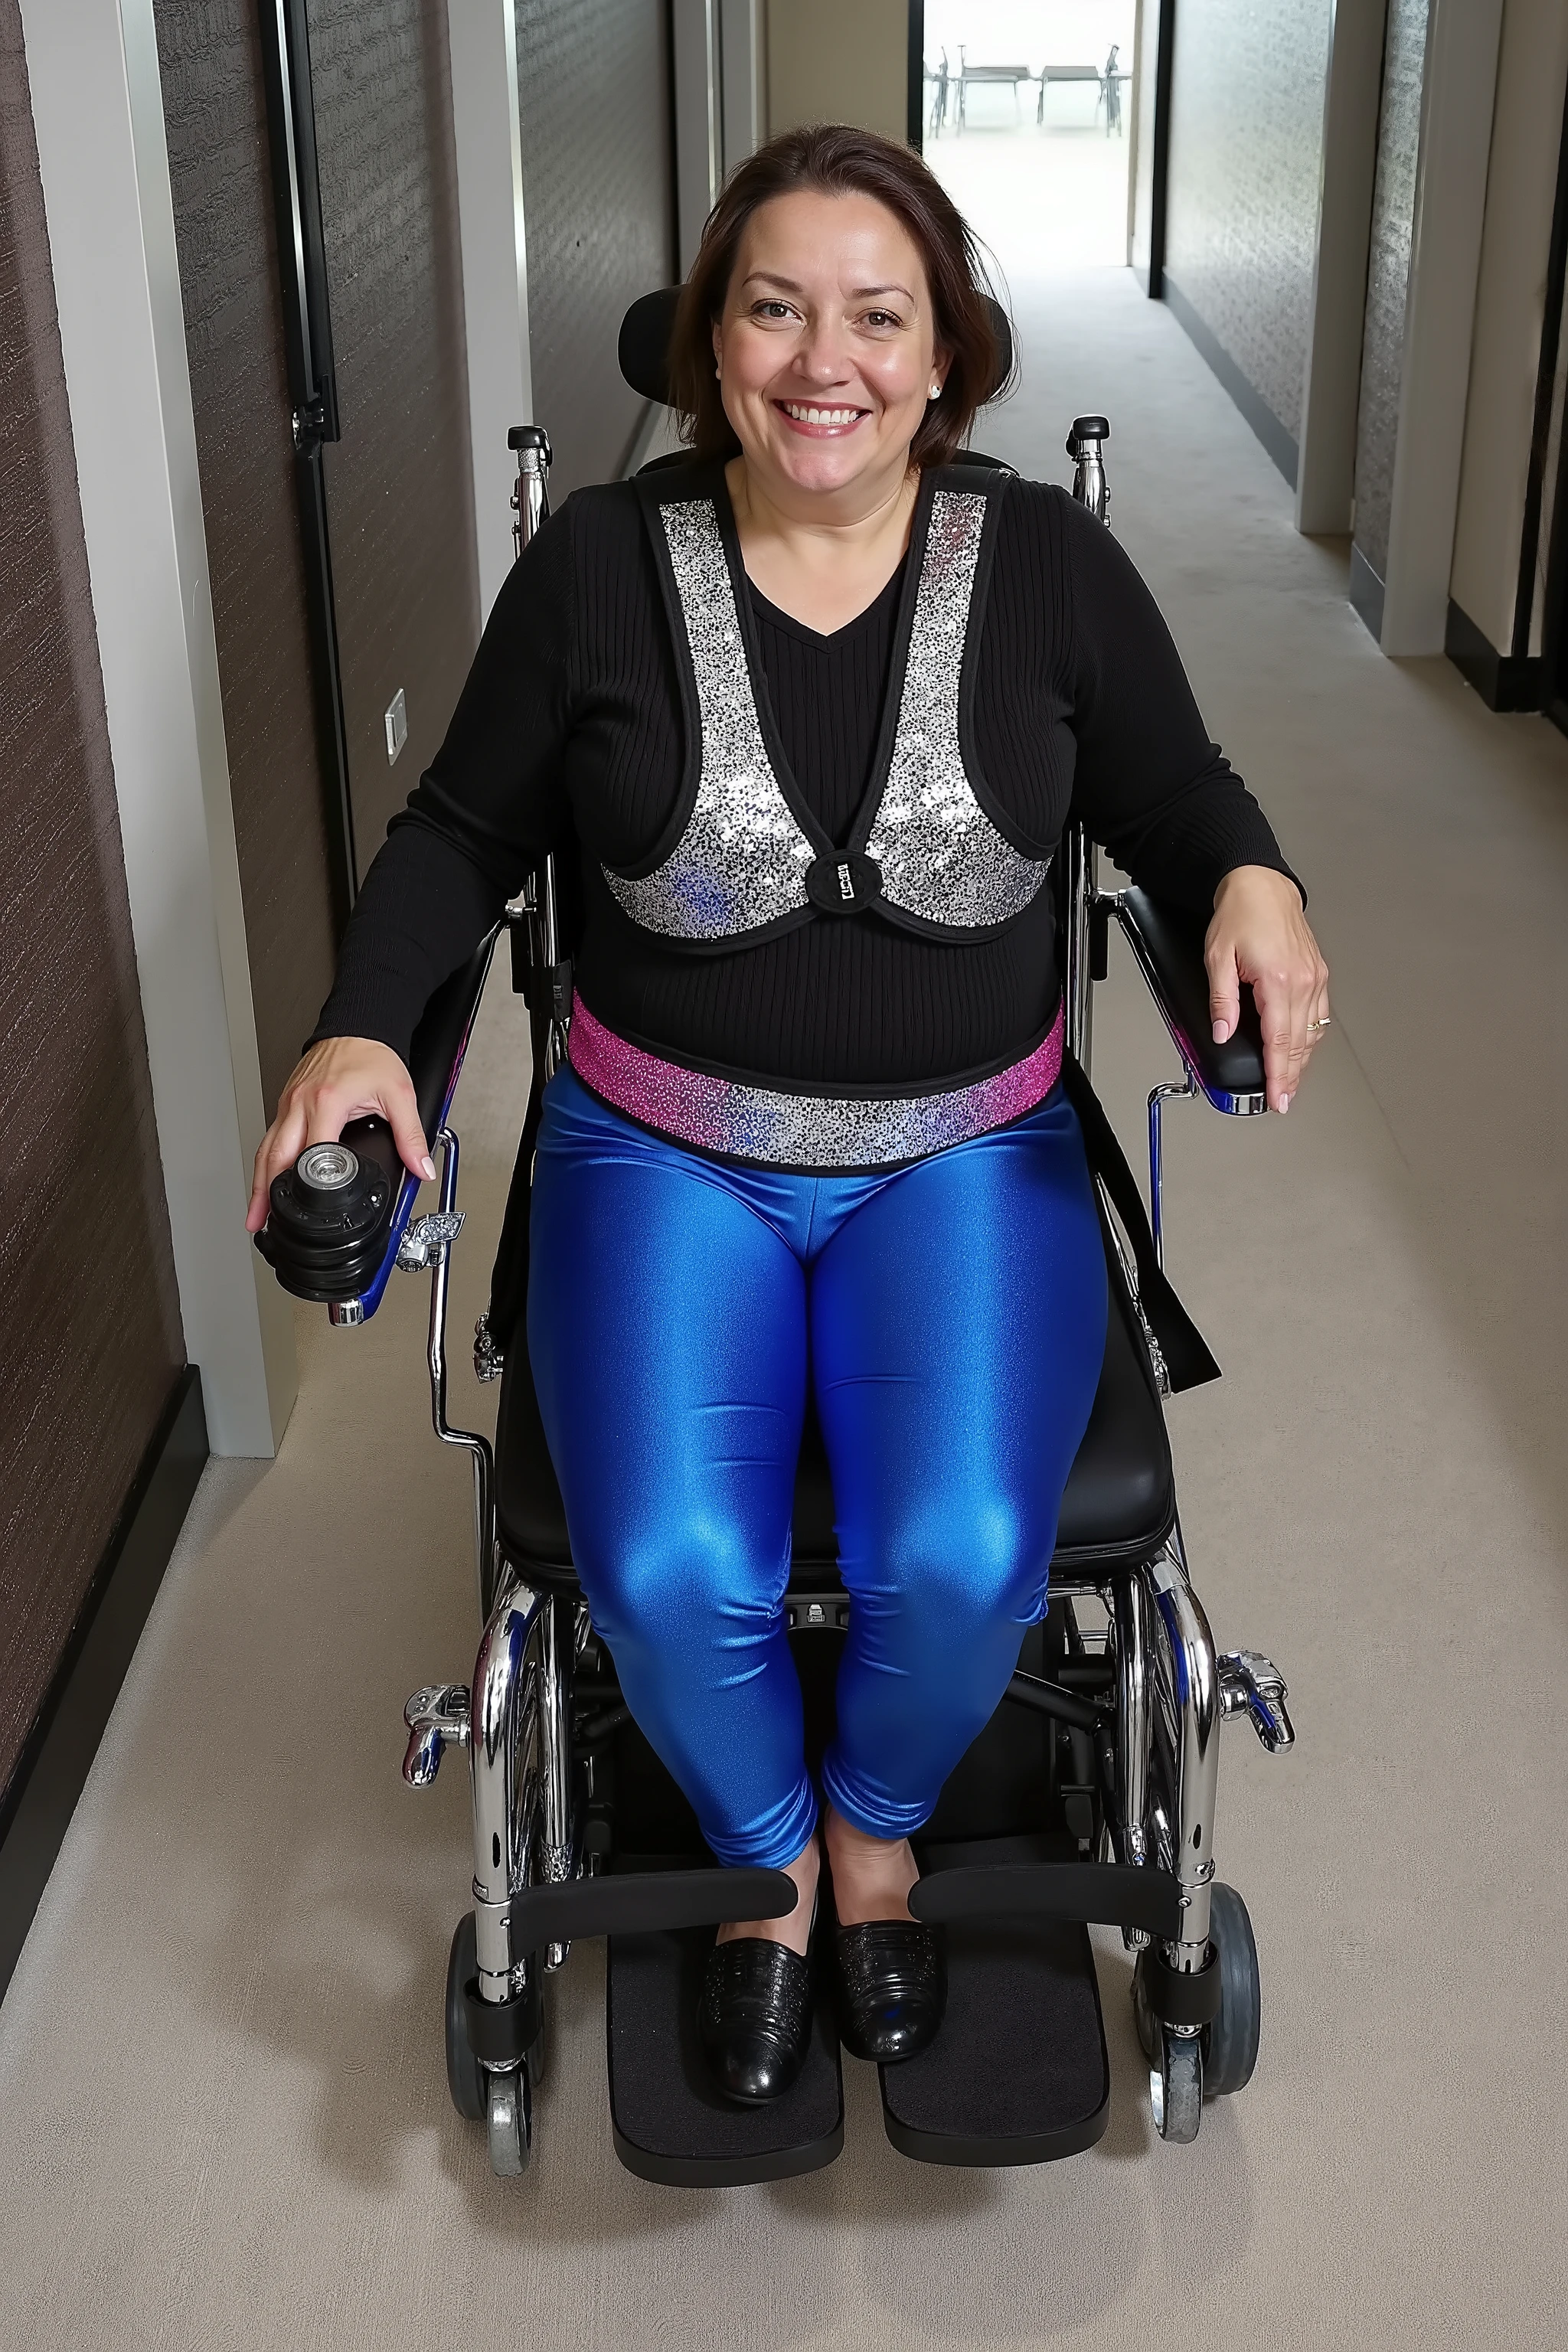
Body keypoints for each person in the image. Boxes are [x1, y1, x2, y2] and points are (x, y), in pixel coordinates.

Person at [248, 126, 1329, 2105]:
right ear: (707, 345)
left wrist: (1252, 881)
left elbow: (1181, 799)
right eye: (773, 306)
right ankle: (764, 1869)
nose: (822, 360)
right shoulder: (594, 570)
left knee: (970, 1539)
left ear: (945, 358)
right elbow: (460, 837)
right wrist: (358, 1038)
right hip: (660, 1158)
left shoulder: (1052, 572)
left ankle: (874, 1835)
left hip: (967, 1156)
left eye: (877, 314)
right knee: (662, 1565)